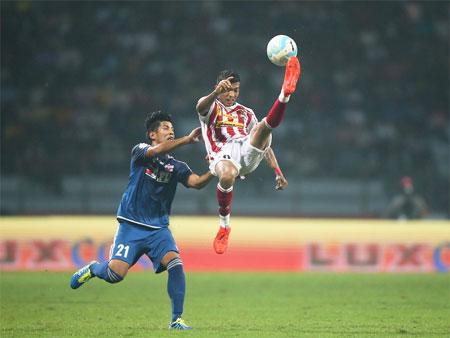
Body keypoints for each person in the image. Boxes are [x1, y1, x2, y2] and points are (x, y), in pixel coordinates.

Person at [70, 111, 213, 330]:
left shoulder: (177, 166)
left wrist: (215, 170)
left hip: (158, 229)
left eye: (172, 128)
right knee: (114, 275)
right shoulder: (140, 152)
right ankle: (93, 269)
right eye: (165, 128)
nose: (171, 131)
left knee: (175, 263)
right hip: (131, 225)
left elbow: (196, 183)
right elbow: (157, 151)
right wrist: (186, 139)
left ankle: (176, 319)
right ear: (152, 134)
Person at [196, 56, 301, 254]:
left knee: (263, 127)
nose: (232, 94)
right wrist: (216, 92)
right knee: (227, 175)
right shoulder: (211, 106)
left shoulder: (246, 112)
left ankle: (285, 94)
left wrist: (277, 171)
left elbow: (264, 145)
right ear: (219, 87)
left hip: (246, 150)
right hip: (221, 155)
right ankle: (224, 226)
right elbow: (200, 106)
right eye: (228, 89)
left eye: (235, 90)